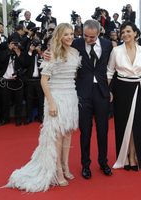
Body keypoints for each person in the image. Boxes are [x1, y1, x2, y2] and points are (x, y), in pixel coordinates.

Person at [1, 23, 81, 192]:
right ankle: (58, 170)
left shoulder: (75, 53)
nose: (69, 36)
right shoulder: (51, 54)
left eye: (72, 33)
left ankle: (66, 166)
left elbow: (73, 76)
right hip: (56, 97)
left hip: (71, 96)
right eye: (66, 34)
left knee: (67, 134)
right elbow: (44, 81)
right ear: (59, 36)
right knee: (57, 136)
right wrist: (51, 103)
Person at [72, 19, 113, 179]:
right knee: (85, 131)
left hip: (102, 92)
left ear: (99, 33)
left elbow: (112, 68)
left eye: (92, 37)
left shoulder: (108, 45)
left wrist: (110, 90)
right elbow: (60, 49)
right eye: (85, 36)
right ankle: (85, 165)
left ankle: (103, 162)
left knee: (103, 130)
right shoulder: (76, 43)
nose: (88, 39)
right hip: (83, 93)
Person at [107, 21, 141, 171]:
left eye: (128, 31)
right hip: (121, 88)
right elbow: (109, 72)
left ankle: (133, 156)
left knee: (136, 125)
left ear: (135, 33)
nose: (125, 34)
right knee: (122, 123)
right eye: (123, 32)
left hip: (138, 89)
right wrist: (107, 90)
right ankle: (124, 156)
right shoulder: (116, 51)